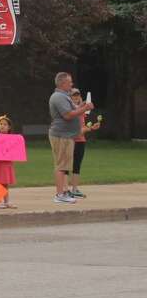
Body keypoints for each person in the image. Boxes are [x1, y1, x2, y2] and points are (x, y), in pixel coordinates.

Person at [48, 72, 92, 204]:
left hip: (66, 135)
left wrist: (82, 105)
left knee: (64, 164)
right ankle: (60, 194)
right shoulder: (59, 97)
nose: (71, 84)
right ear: (62, 83)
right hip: (61, 135)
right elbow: (68, 115)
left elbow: (74, 109)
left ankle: (63, 192)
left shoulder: (64, 96)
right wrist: (84, 109)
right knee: (61, 165)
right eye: (69, 82)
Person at [69, 87, 101, 198]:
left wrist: (92, 127)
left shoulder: (82, 111)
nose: (76, 97)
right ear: (69, 97)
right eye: (73, 95)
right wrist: (87, 129)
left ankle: (74, 189)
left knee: (77, 166)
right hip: (70, 141)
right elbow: (77, 130)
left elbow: (82, 128)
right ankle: (64, 190)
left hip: (81, 141)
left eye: (77, 95)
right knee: (66, 166)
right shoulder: (70, 111)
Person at [0, 115, 19, 209]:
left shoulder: (12, 138)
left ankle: (6, 201)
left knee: (5, 182)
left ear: (9, 127)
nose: (2, 126)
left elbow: (14, 150)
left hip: (7, 163)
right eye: (1, 124)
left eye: (5, 124)